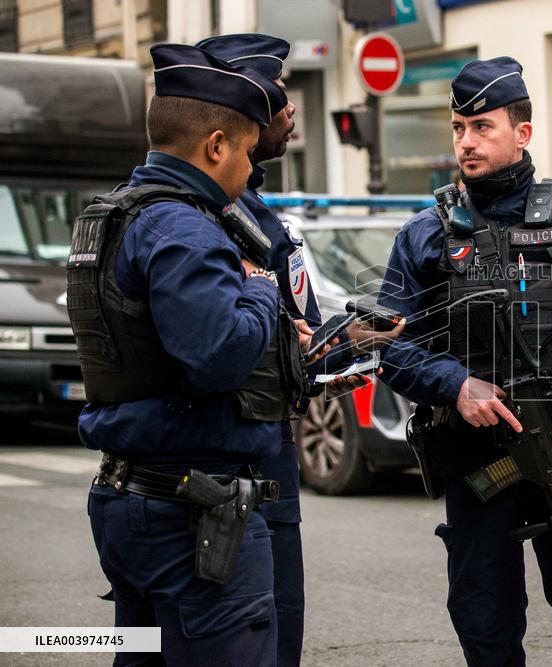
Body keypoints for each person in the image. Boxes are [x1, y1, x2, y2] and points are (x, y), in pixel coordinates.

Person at [376, 56, 552, 665]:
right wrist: (455, 386)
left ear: (522, 133)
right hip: (478, 463)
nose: (466, 142)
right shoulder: (425, 234)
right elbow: (389, 345)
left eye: (483, 127)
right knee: (486, 628)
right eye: (458, 128)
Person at [69, 44, 292, 664]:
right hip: (192, 510)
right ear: (216, 146)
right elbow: (219, 356)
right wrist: (259, 290)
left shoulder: (112, 217)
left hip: (129, 497)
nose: (251, 169)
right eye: (247, 152)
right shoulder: (188, 229)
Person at [196, 33, 405, 666]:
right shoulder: (204, 221)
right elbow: (218, 349)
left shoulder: (263, 221)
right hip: (225, 465)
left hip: (269, 461)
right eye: (278, 105)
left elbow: (303, 340)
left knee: (275, 635)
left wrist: (350, 345)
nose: (290, 118)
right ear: (240, 122)